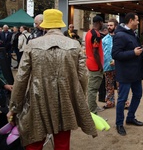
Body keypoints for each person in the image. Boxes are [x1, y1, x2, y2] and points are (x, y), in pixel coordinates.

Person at [7, 9, 97, 149]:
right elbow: (83, 76)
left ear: (43, 25)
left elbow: (21, 78)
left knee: (34, 141)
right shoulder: (75, 45)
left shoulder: (32, 45)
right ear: (61, 24)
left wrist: (14, 108)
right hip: (65, 100)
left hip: (37, 100)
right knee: (62, 143)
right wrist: (77, 98)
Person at [112, 13, 143, 136]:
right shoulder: (120, 35)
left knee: (138, 94)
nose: (138, 22)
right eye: (137, 20)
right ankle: (119, 123)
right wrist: (133, 53)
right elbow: (115, 54)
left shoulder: (132, 33)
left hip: (136, 73)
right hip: (125, 74)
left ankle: (130, 118)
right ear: (131, 21)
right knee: (122, 99)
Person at [85, 15, 104, 114]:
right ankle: (92, 111)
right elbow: (95, 51)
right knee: (93, 89)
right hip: (95, 65)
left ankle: (94, 106)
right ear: (100, 22)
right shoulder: (96, 34)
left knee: (92, 87)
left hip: (90, 62)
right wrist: (100, 66)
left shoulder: (89, 32)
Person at [102, 19, 118, 109]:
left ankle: (124, 102)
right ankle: (109, 102)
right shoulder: (104, 39)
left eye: (111, 25)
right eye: (108, 25)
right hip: (108, 66)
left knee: (120, 86)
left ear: (115, 26)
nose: (109, 27)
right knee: (109, 85)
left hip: (119, 66)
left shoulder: (120, 38)